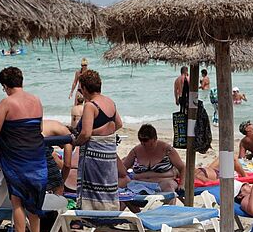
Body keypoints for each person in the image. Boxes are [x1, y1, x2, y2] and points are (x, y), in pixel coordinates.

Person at [0, 67, 46, 232]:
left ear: (5, 85)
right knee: (35, 200)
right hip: (36, 156)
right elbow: (40, 128)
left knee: (18, 200)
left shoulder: (6, 103)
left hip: (16, 158)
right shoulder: (36, 100)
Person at [72, 69, 123, 209]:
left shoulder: (90, 105)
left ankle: (95, 219)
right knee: (107, 186)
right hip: (109, 154)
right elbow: (118, 124)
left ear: (85, 89)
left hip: (94, 156)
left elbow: (86, 134)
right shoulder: (110, 102)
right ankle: (109, 223)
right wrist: (102, 131)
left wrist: (75, 143)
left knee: (94, 189)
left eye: (81, 89)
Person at [123, 124, 184, 193]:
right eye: (140, 139)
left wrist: (182, 184)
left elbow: (182, 167)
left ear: (154, 139)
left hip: (163, 182)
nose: (142, 142)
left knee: (169, 187)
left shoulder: (167, 149)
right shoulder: (136, 151)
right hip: (140, 184)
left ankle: (169, 204)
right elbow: (123, 169)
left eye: (146, 140)